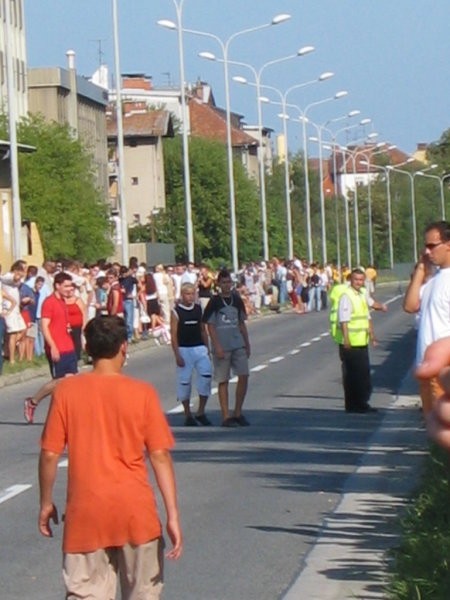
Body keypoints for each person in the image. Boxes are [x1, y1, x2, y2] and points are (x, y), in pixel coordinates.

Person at [38, 315, 182, 599]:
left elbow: (50, 454)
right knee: (142, 593)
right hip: (135, 513)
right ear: (124, 347)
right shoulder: (142, 393)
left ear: (87, 348)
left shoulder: (66, 391)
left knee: (85, 592)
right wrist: (172, 515)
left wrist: (45, 503)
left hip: (86, 514)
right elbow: (160, 456)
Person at [404, 221, 450, 415]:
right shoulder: (434, 280)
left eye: (432, 245)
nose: (427, 251)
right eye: (425, 246)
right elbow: (410, 305)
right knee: (434, 434)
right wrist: (421, 270)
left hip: (443, 369)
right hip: (426, 368)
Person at [23, 272, 77, 424]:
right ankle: (33, 402)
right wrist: (52, 346)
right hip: (56, 347)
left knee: (71, 382)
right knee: (59, 382)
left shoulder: (63, 301)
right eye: (66, 286)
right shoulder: (49, 302)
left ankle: (63, 415)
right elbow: (44, 326)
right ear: (57, 286)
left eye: (70, 285)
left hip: (68, 346)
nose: (69, 288)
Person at [203, 269, 251, 427]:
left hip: (238, 343)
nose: (227, 285)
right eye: (223, 282)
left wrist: (247, 343)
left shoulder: (236, 300)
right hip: (222, 346)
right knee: (223, 380)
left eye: (229, 282)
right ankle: (225, 415)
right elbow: (209, 325)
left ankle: (238, 412)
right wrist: (216, 346)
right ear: (218, 284)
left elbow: (241, 322)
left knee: (243, 375)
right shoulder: (214, 302)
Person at [336, 268, 378, 413]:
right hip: (350, 344)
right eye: (356, 280)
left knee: (363, 374)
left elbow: (367, 316)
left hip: (361, 341)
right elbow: (344, 320)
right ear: (350, 280)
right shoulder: (347, 296)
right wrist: (346, 339)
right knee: (352, 376)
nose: (359, 282)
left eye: (361, 280)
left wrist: (372, 335)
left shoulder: (362, 294)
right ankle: (354, 405)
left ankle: (361, 403)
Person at [170, 282, 212, 426]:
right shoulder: (176, 312)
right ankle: (187, 413)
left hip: (199, 348)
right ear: (182, 295)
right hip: (184, 349)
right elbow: (174, 335)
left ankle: (201, 411)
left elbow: (202, 330)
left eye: (192, 293)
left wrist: (207, 348)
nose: (190, 297)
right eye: (187, 294)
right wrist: (177, 354)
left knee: (206, 376)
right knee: (185, 381)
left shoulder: (199, 309)